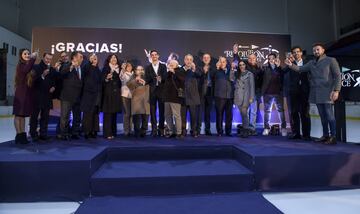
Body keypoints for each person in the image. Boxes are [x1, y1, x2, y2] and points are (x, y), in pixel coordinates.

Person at [285, 43, 341, 145]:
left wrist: (336, 90)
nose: (316, 52)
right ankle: (325, 135)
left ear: (323, 50)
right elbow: (300, 69)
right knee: (322, 116)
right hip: (316, 93)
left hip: (328, 92)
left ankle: (333, 136)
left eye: (318, 50)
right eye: (314, 50)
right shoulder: (311, 63)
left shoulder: (331, 60)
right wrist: (290, 65)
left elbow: (337, 76)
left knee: (329, 116)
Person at [285, 46, 311, 140]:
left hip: (305, 91)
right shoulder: (291, 63)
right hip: (294, 92)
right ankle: (296, 133)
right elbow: (283, 72)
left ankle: (306, 135)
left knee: (305, 113)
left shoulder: (308, 63)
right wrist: (282, 65)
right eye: (294, 52)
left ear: (301, 53)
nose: (296, 54)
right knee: (294, 113)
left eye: (297, 52)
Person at [29, 52, 56, 142]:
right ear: (43, 58)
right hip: (37, 96)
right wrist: (42, 75)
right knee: (34, 116)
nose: (48, 60)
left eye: (50, 59)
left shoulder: (52, 69)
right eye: (47, 58)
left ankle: (43, 134)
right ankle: (33, 134)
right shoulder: (36, 67)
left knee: (45, 116)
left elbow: (54, 80)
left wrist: (54, 87)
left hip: (47, 96)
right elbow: (33, 82)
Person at [13, 48, 38, 144]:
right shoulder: (21, 65)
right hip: (21, 94)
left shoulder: (29, 66)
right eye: (25, 54)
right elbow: (26, 70)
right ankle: (18, 135)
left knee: (23, 116)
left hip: (27, 94)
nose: (27, 55)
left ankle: (23, 135)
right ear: (21, 56)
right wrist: (33, 58)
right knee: (18, 115)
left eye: (28, 53)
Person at [59, 51, 83, 141]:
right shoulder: (67, 65)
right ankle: (64, 134)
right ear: (74, 57)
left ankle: (75, 133)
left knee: (77, 116)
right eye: (80, 57)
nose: (82, 58)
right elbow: (62, 74)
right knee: (65, 116)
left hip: (78, 97)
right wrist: (71, 66)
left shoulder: (81, 67)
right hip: (67, 96)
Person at [261, 53, 287, 137]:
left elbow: (283, 78)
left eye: (273, 58)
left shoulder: (279, 69)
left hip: (278, 93)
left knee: (281, 111)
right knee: (267, 111)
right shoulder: (265, 68)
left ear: (276, 59)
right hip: (267, 94)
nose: (271, 60)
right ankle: (266, 128)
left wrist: (279, 67)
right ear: (268, 60)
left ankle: (283, 128)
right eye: (269, 58)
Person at [144, 50, 167, 137]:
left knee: (162, 111)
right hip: (152, 91)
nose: (154, 56)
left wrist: (161, 79)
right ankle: (154, 129)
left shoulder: (163, 66)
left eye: (155, 55)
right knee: (152, 111)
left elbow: (165, 77)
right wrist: (154, 78)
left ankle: (161, 129)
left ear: (158, 56)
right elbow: (147, 79)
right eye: (152, 55)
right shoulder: (148, 67)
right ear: (150, 57)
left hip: (161, 91)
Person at [80, 53, 102, 139]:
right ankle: (86, 131)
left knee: (95, 114)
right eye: (92, 58)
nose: (94, 59)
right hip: (88, 95)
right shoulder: (86, 67)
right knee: (87, 114)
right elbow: (84, 73)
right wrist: (90, 63)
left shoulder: (98, 70)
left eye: (95, 58)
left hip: (96, 95)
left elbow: (100, 82)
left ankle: (94, 130)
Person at [101, 54, 122, 139]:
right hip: (108, 93)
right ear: (109, 60)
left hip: (116, 93)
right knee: (108, 114)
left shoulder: (119, 69)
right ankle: (107, 133)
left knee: (114, 114)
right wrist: (106, 78)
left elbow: (121, 82)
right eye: (112, 57)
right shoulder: (106, 68)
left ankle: (113, 132)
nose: (114, 59)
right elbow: (102, 80)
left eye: (115, 58)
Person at [163, 60, 185, 138]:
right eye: (170, 64)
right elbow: (163, 80)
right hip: (167, 97)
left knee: (176, 115)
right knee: (167, 115)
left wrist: (174, 72)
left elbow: (182, 81)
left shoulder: (180, 71)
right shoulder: (168, 73)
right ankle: (171, 131)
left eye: (173, 64)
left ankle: (179, 132)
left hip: (175, 97)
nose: (171, 65)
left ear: (177, 65)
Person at [214, 57, 235, 137]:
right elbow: (211, 77)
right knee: (219, 115)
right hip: (219, 96)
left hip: (229, 96)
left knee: (229, 115)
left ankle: (228, 131)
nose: (222, 63)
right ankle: (219, 131)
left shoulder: (231, 70)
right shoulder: (216, 71)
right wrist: (216, 68)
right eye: (221, 62)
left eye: (223, 62)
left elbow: (233, 79)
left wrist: (233, 69)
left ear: (226, 63)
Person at [181, 54, 201, 137]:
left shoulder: (196, 70)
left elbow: (200, 75)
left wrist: (194, 69)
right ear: (184, 61)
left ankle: (194, 131)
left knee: (193, 116)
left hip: (193, 97)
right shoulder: (180, 70)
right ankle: (183, 131)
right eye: (187, 59)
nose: (189, 61)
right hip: (183, 97)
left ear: (192, 61)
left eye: (190, 60)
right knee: (183, 116)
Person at [234, 60, 255, 138]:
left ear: (246, 65)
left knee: (244, 114)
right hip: (238, 96)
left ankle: (245, 131)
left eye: (243, 64)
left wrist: (251, 97)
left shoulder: (250, 74)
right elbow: (231, 79)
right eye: (240, 65)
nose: (242, 66)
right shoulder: (237, 74)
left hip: (246, 97)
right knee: (242, 115)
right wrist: (233, 70)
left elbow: (252, 87)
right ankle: (244, 130)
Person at [127, 65, 149, 138]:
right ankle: (137, 132)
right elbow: (129, 85)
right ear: (135, 71)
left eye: (142, 69)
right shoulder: (133, 77)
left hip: (146, 100)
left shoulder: (147, 77)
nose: (140, 71)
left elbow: (151, 86)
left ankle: (144, 131)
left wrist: (144, 82)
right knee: (136, 118)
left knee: (145, 117)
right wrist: (135, 80)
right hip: (136, 100)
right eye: (138, 70)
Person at [197, 53, 216, 136]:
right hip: (201, 92)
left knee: (208, 112)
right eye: (204, 57)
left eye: (207, 57)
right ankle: (198, 129)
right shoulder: (198, 67)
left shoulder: (213, 68)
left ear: (210, 59)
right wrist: (203, 72)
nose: (206, 59)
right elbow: (198, 77)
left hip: (210, 91)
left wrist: (208, 70)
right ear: (202, 59)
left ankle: (207, 129)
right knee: (200, 112)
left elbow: (214, 77)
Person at [245, 54, 263, 135]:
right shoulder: (245, 67)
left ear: (256, 59)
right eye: (250, 58)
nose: (252, 59)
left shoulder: (259, 69)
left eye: (253, 58)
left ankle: (252, 128)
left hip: (255, 93)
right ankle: (246, 128)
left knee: (253, 111)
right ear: (248, 59)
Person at [119, 62, 134, 136]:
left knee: (131, 114)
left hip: (133, 96)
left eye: (130, 66)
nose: (129, 67)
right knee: (127, 113)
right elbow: (123, 80)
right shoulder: (124, 74)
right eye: (127, 66)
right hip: (125, 95)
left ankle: (130, 130)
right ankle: (126, 130)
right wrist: (122, 70)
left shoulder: (134, 74)